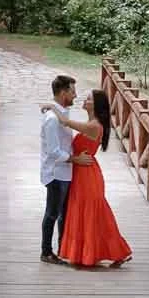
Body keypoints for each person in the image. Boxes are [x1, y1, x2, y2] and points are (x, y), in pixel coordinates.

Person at [49, 90, 132, 269]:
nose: (84, 100)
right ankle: (92, 253)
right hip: (82, 171)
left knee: (91, 212)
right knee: (87, 212)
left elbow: (64, 122)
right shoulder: (91, 123)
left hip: (87, 174)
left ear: (96, 105)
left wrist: (51, 106)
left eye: (88, 98)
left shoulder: (94, 126)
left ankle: (111, 252)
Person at [39, 74, 87, 264]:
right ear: (63, 92)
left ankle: (63, 249)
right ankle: (46, 252)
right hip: (56, 173)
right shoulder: (52, 119)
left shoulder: (62, 114)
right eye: (72, 91)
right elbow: (53, 151)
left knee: (63, 214)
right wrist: (75, 159)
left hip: (65, 172)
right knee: (52, 213)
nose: (75, 96)